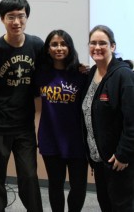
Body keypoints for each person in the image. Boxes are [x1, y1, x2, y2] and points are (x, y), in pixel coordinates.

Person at [0, 0, 43, 212]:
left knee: (29, 176)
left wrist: (78, 68)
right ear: (2, 19)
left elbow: (52, 70)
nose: (16, 21)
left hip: (23, 126)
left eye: (21, 16)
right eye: (11, 16)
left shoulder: (37, 45)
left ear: (27, 17)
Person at [33, 29, 88, 212]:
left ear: (70, 48)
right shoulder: (40, 74)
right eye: (54, 44)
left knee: (78, 187)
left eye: (63, 44)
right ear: (47, 49)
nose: (59, 48)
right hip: (50, 138)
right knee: (55, 185)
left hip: (77, 140)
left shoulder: (81, 74)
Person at [82, 25, 134, 211]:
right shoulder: (91, 74)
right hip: (99, 158)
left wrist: (124, 154)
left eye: (102, 43)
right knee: (105, 203)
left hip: (118, 160)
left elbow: (131, 120)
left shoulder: (124, 76)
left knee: (121, 206)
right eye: (93, 43)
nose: (97, 47)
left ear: (112, 46)